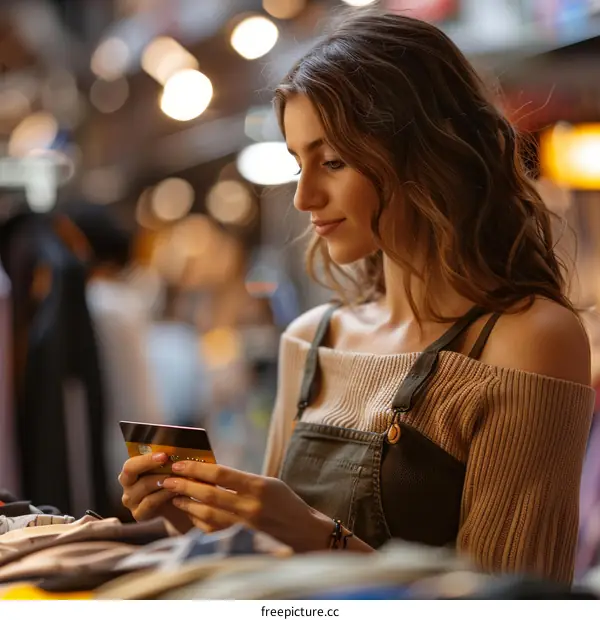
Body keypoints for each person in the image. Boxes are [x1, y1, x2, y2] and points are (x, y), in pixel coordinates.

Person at [117, 10, 595, 583]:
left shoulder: (527, 340)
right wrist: (203, 525)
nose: (303, 197)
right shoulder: (312, 338)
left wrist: (313, 534)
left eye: (333, 162)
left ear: (426, 154)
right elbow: (282, 589)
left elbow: (509, 600)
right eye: (298, 163)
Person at [61, 202, 164, 511]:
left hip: (102, 460)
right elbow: (143, 400)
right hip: (129, 453)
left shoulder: (97, 304)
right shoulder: (120, 304)